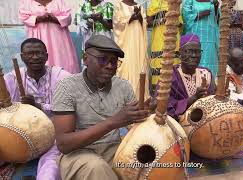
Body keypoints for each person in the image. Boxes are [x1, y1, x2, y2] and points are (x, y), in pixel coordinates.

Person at [52, 35, 149, 180]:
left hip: (114, 150)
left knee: (147, 167)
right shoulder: (67, 87)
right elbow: (64, 144)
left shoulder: (122, 86)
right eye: (102, 59)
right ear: (85, 59)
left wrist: (148, 113)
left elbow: (136, 125)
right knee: (96, 168)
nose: (109, 66)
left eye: (114, 61)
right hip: (78, 154)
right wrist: (113, 122)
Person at [4, 38, 70, 180]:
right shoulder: (12, 78)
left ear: (46, 56)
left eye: (39, 53)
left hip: (54, 133)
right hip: (20, 135)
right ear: (22, 57)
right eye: (29, 54)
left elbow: (70, 108)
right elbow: (5, 107)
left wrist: (39, 107)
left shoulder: (61, 76)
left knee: (50, 169)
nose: (35, 57)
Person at [155, 34, 215, 121]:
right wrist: (194, 98)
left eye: (197, 51)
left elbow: (214, 102)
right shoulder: (170, 75)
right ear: (179, 54)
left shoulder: (206, 74)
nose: (194, 55)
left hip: (205, 123)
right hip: (177, 125)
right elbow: (163, 107)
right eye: (189, 51)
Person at [19, 0, 80, 74]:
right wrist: (38, 18)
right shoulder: (26, 2)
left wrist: (54, 18)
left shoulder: (59, 1)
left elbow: (68, 17)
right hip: (38, 37)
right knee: (39, 56)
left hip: (59, 38)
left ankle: (63, 80)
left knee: (61, 59)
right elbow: (23, 17)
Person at [113, 0, 149, 99]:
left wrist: (140, 17)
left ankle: (141, 98)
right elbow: (116, 24)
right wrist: (131, 18)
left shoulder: (140, 6)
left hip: (139, 43)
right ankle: (125, 97)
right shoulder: (119, 5)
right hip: (126, 43)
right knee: (126, 64)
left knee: (140, 65)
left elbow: (145, 23)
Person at [147, 0, 183, 95]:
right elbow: (148, 22)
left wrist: (173, 19)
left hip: (174, 39)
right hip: (159, 39)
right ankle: (157, 97)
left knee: (173, 66)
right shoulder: (155, 2)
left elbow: (180, 24)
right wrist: (162, 20)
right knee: (159, 65)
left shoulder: (176, 2)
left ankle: (174, 95)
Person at [182, 0, 220, 76]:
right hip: (195, 35)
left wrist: (216, 8)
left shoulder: (212, 1)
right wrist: (200, 14)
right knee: (195, 56)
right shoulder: (190, 1)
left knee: (210, 58)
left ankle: (211, 83)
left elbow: (217, 19)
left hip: (210, 36)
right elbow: (185, 17)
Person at [75, 0, 114, 69]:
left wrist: (101, 20)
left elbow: (112, 26)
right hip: (88, 42)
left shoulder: (108, 6)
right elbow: (77, 23)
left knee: (104, 64)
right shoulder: (83, 6)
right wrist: (86, 24)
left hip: (104, 43)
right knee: (90, 64)